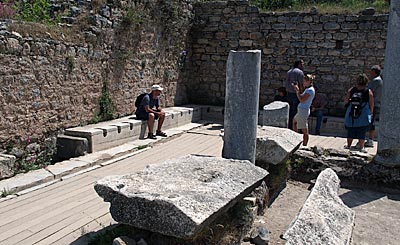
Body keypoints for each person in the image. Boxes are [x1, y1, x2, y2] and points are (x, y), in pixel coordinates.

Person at [344, 74, 374, 153]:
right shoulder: (368, 91)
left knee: (351, 129)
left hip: (352, 112)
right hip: (363, 112)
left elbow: (346, 100)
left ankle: (348, 145)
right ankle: (361, 147)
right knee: (362, 130)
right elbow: (371, 103)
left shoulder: (352, 90)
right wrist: (371, 113)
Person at [293, 74, 315, 146]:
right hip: (301, 110)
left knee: (304, 130)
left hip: (303, 111)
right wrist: (298, 90)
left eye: (304, 81)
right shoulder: (307, 89)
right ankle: (295, 139)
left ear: (308, 81)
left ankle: (304, 145)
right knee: (294, 122)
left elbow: (302, 100)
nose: (303, 82)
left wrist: (297, 91)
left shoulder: (310, 90)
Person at [365, 65, 383, 147]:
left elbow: (369, 91)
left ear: (375, 72)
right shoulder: (377, 80)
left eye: (371, 72)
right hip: (374, 104)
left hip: (373, 104)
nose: (370, 73)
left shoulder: (376, 81)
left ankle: (370, 140)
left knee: (370, 122)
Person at [286, 59, 305, 130]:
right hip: (296, 94)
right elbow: (301, 84)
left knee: (290, 111)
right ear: (299, 64)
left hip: (289, 93)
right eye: (302, 64)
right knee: (295, 111)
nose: (303, 65)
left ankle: (289, 126)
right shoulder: (300, 72)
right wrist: (302, 93)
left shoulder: (289, 72)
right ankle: (294, 127)